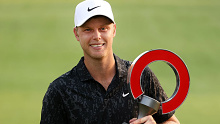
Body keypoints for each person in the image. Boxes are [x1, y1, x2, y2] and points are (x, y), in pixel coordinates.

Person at [40, 0, 180, 123]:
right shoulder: (60, 90)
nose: (97, 36)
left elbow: (171, 121)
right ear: (77, 33)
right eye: (88, 29)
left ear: (113, 30)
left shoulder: (140, 75)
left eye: (103, 28)